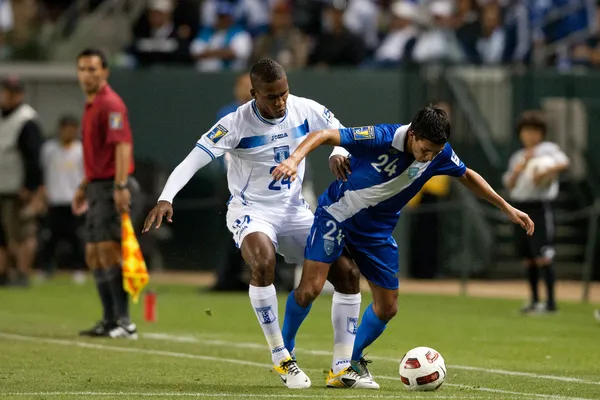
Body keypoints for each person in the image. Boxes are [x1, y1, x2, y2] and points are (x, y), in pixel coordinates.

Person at [143, 58, 370, 389]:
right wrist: (166, 197)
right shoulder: (234, 124)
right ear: (253, 94)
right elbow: (193, 159)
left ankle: (341, 367)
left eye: (283, 93)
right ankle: (281, 357)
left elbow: (339, 132)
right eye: (271, 96)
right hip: (252, 210)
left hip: (294, 211)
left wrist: (338, 152)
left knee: (348, 274)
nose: (280, 102)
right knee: (263, 262)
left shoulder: (303, 108)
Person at [271, 106, 535, 387]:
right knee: (310, 288)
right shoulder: (381, 136)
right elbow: (323, 134)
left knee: (387, 307)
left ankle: (348, 365)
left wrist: (507, 208)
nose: (429, 157)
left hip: (377, 233)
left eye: (435, 152)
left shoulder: (440, 152)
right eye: (425, 149)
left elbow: (466, 175)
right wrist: (294, 159)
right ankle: (284, 353)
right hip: (337, 216)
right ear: (412, 134)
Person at [72, 48, 140, 339]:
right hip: (97, 186)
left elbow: (121, 146)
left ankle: (124, 321)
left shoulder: (110, 104)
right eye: (83, 69)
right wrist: (84, 185)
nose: (88, 74)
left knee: (109, 251)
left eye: (93, 69)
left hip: (112, 185)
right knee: (94, 252)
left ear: (105, 71)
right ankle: (109, 318)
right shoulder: (92, 105)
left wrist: (121, 185)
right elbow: (96, 154)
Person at [503, 111, 569, 314]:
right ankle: (534, 301)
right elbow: (509, 184)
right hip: (520, 207)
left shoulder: (547, 150)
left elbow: (563, 162)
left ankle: (550, 304)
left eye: (535, 131)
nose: (530, 135)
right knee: (528, 256)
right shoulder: (517, 156)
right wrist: (519, 168)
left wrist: (544, 171)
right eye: (526, 131)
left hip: (540, 206)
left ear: (541, 133)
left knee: (544, 254)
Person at [0, 76, 44, 287]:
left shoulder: (26, 120)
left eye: (11, 92)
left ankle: (22, 273)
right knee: (3, 235)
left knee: (22, 233)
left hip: (17, 189)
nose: (6, 96)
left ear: (20, 94)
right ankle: (4, 273)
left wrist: (30, 187)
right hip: (2, 186)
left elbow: (33, 158)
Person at [40, 115, 85, 280]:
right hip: (54, 200)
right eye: (66, 129)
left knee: (76, 237)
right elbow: (43, 171)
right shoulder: (49, 149)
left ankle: (78, 270)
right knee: (51, 238)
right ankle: (46, 269)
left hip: (73, 201)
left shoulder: (80, 150)